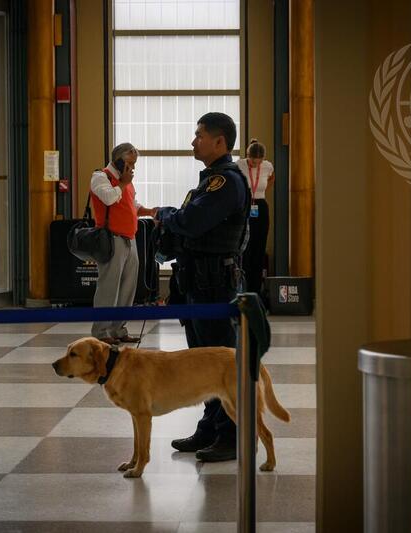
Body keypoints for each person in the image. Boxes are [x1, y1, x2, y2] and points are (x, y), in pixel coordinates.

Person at [155, 112, 251, 463]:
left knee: (221, 365)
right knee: (202, 364)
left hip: (216, 285)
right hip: (198, 281)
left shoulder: (226, 182)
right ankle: (210, 427)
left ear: (219, 141)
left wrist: (164, 215)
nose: (193, 141)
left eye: (198, 135)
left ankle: (232, 435)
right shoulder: (210, 180)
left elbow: (192, 222)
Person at [90, 143, 156, 344]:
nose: (132, 168)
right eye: (129, 163)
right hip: (111, 239)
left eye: (134, 164)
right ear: (118, 160)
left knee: (128, 287)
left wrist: (149, 211)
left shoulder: (125, 182)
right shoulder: (100, 177)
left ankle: (119, 329)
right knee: (108, 287)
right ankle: (101, 332)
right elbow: (109, 199)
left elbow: (131, 204)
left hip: (130, 238)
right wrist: (123, 183)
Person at [236, 139, 275, 296]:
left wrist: (261, 193)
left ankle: (255, 290)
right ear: (247, 156)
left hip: (260, 207)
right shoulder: (239, 165)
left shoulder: (268, 166)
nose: (255, 165)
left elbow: (271, 178)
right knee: (246, 249)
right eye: (253, 162)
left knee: (259, 249)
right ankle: (242, 289)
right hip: (245, 206)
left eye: (259, 162)